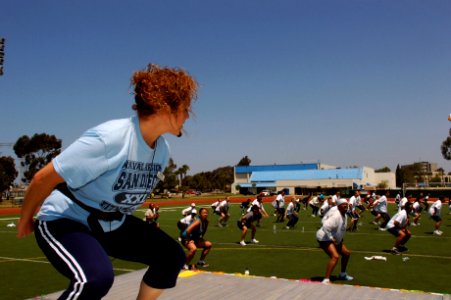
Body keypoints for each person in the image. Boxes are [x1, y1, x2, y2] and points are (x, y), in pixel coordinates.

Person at [16, 63, 198, 299]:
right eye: (185, 109)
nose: (187, 116)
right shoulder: (110, 138)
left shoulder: (161, 150)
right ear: (165, 108)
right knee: (95, 279)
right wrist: (24, 219)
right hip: (66, 219)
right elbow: (44, 178)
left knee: (171, 255)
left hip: (113, 223)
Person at [316, 198, 353, 284]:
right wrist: (331, 237)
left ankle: (342, 274)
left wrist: (339, 239)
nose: (346, 206)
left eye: (346, 204)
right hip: (324, 238)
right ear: (338, 207)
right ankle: (326, 279)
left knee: (346, 254)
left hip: (335, 239)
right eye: (343, 204)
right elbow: (325, 226)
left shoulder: (345, 216)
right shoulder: (336, 216)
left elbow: (341, 229)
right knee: (335, 256)